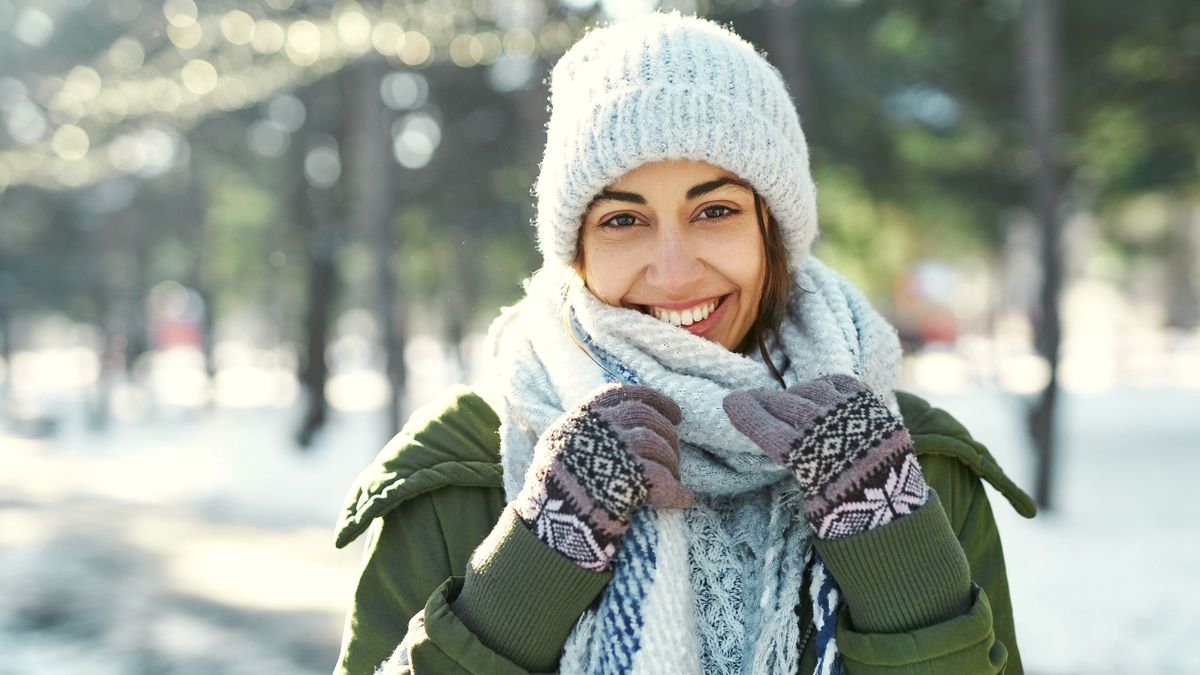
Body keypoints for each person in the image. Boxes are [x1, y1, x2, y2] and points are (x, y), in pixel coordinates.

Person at [332, 11, 1037, 675]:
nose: (673, 270)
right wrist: (530, 567)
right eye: (622, 220)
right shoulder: (463, 465)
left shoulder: (908, 457)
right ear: (573, 248)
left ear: (774, 230)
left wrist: (898, 560)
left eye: (716, 210)